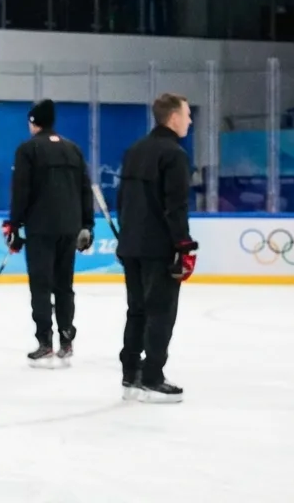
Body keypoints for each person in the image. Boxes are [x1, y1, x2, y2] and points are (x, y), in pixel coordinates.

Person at [116, 92, 195, 403]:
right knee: (160, 312)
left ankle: (130, 374)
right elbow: (175, 206)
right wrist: (184, 246)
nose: (190, 120)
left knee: (136, 311)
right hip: (159, 248)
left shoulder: (134, 151)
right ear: (173, 117)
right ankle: (152, 377)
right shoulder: (173, 154)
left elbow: (122, 200)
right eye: (187, 114)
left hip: (131, 245)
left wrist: (127, 235)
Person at [4, 99, 94, 368]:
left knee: (41, 285)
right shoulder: (73, 149)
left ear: (34, 122)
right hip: (69, 227)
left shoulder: (28, 149)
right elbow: (85, 190)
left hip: (41, 228)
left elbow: (21, 190)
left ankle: (45, 341)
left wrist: (14, 225)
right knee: (64, 285)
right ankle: (67, 337)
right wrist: (87, 225)